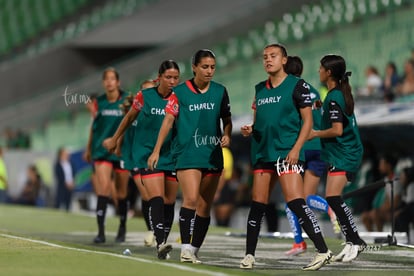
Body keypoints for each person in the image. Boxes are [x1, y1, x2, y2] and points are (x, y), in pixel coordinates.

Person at [239, 44, 332, 271]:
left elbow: (308, 122)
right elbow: (260, 119)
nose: (268, 60)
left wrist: (296, 148)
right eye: (265, 57)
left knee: (296, 202)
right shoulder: (260, 88)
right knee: (258, 205)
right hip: (263, 151)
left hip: (286, 152)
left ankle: (323, 250)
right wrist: (251, 128)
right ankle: (249, 255)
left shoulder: (297, 86)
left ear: (284, 60)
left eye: (273, 56)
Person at [147, 49, 232, 264]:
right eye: (205, 66)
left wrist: (227, 134)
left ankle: (194, 249)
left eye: (212, 67)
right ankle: (185, 248)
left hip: (212, 155)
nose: (209, 71)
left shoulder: (221, 91)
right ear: (194, 67)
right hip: (187, 154)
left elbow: (227, 118)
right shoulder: (180, 93)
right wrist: (157, 150)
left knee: (205, 206)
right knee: (191, 199)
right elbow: (167, 121)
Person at [103, 60, 180, 259]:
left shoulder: (180, 98)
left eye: (175, 78)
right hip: (146, 154)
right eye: (168, 77)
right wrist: (115, 139)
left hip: (170, 154)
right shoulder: (144, 96)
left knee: (170, 202)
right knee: (156, 197)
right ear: (159, 78)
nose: (172, 81)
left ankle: (162, 237)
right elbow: (128, 118)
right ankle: (161, 243)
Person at [309, 54, 367, 263]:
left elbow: (337, 130)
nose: (318, 71)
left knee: (333, 198)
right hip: (341, 152)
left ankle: (356, 240)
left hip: (345, 153)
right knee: (333, 198)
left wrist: (315, 133)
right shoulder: (335, 94)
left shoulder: (335, 96)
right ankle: (352, 241)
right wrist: (318, 106)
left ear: (329, 72)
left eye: (321, 68)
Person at [283, 55, 340, 256]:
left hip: (301, 147)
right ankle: (330, 208)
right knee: (304, 199)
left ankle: (299, 242)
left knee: (293, 201)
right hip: (319, 146)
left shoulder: (289, 89)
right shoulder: (314, 90)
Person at [83, 67, 130, 244]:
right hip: (101, 151)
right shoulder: (98, 103)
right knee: (103, 189)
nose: (109, 82)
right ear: (103, 82)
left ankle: (122, 226)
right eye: (106, 79)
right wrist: (89, 149)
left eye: (112, 79)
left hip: (121, 151)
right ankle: (101, 232)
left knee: (121, 193)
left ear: (118, 82)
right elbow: (93, 128)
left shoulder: (127, 99)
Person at [361, 153, 402, 232]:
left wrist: (380, 210)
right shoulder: (387, 179)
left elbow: (396, 203)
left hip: (396, 212)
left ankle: (380, 237)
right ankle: (372, 237)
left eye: (382, 164)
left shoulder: (396, 181)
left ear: (388, 165)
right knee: (365, 216)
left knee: (375, 214)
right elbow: (387, 199)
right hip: (387, 210)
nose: (379, 167)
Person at [395, 166, 414, 243]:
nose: (401, 178)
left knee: (401, 217)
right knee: (397, 216)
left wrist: (400, 212)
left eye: (403, 176)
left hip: (411, 210)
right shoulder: (405, 187)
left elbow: (410, 205)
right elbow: (403, 203)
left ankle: (406, 238)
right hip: (409, 210)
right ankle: (398, 237)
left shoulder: (411, 186)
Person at [54, 147, 75, 211]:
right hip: (62, 186)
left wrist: (72, 182)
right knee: (59, 203)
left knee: (68, 203)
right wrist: (65, 183)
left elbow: (74, 173)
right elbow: (58, 175)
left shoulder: (71, 163)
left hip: (70, 186)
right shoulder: (58, 164)